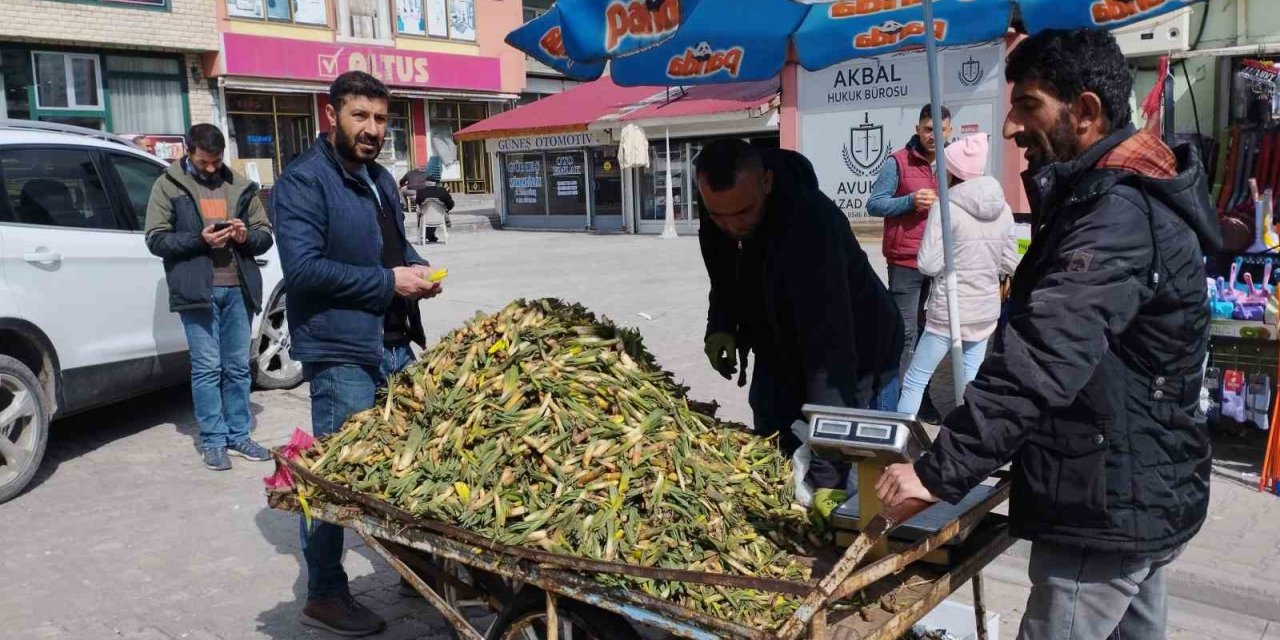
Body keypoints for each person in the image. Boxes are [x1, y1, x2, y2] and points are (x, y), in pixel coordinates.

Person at [876, 29, 1220, 640]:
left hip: (1107, 498)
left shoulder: (1117, 214)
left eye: (1027, 106)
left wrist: (937, 472)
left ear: (1085, 112)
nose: (1010, 128)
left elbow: (1042, 353)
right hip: (1138, 488)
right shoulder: (1105, 196)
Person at [271, 71, 443, 637]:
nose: (371, 130)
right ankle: (324, 592)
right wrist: (387, 282)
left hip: (393, 343)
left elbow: (392, 245)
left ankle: (411, 564)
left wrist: (417, 268)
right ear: (332, 116)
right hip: (343, 350)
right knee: (338, 481)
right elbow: (304, 270)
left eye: (379, 118)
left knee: (411, 463)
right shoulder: (303, 182)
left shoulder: (379, 178)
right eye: (359, 117)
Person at [696, 138, 903, 502]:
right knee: (773, 440)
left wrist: (828, 476)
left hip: (859, 353)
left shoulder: (812, 226)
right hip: (780, 346)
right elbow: (725, 274)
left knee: (861, 476)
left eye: (743, 212)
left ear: (767, 182)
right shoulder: (721, 204)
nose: (731, 226)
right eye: (718, 216)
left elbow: (830, 355)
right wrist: (722, 326)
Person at [144, 123, 274, 471]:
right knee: (206, 368)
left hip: (238, 289)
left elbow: (265, 235)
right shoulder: (167, 186)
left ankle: (239, 435)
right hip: (196, 291)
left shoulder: (241, 187)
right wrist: (200, 240)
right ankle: (214, 441)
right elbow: (156, 240)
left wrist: (246, 237)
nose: (212, 168)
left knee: (237, 368)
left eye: (217, 161)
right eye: (204, 162)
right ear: (188, 152)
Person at [896, 134, 1019, 417]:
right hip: (985, 309)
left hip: (949, 310)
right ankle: (959, 451)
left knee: (916, 380)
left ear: (952, 171)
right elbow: (1010, 263)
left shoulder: (945, 208)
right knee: (969, 382)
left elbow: (927, 263)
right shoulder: (1004, 209)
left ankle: (901, 449)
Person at [869, 105, 953, 397]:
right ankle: (899, 396)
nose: (934, 136)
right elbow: (875, 203)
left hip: (942, 260)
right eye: (929, 129)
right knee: (905, 333)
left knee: (934, 330)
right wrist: (910, 201)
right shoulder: (898, 162)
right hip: (906, 261)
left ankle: (922, 393)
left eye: (941, 130)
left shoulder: (952, 162)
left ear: (949, 131)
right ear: (918, 129)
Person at [400, 160, 454, 243]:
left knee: (423, 213)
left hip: (425, 217)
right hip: (440, 216)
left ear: (426, 183)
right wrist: (446, 209)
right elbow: (451, 203)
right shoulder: (442, 191)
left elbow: (418, 203)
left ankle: (427, 234)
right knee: (439, 211)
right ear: (435, 183)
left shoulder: (421, 192)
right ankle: (432, 233)